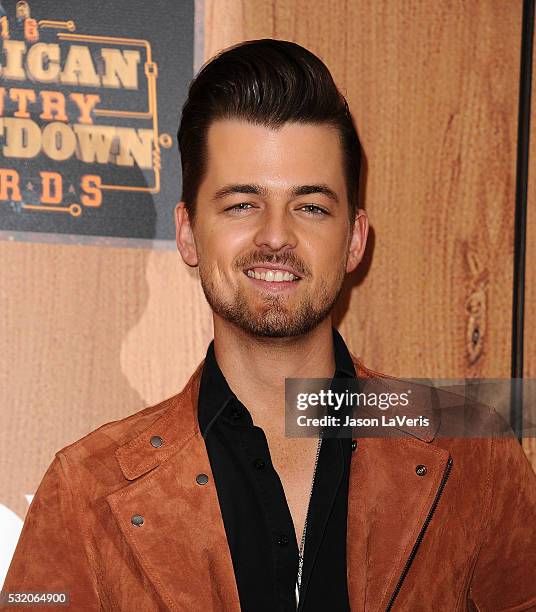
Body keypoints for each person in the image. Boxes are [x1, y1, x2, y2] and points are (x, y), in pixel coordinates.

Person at [2, 38, 536, 612]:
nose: (276, 236)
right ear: (187, 233)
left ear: (354, 240)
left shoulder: (474, 452)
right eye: (241, 204)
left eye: (310, 206)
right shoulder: (82, 490)